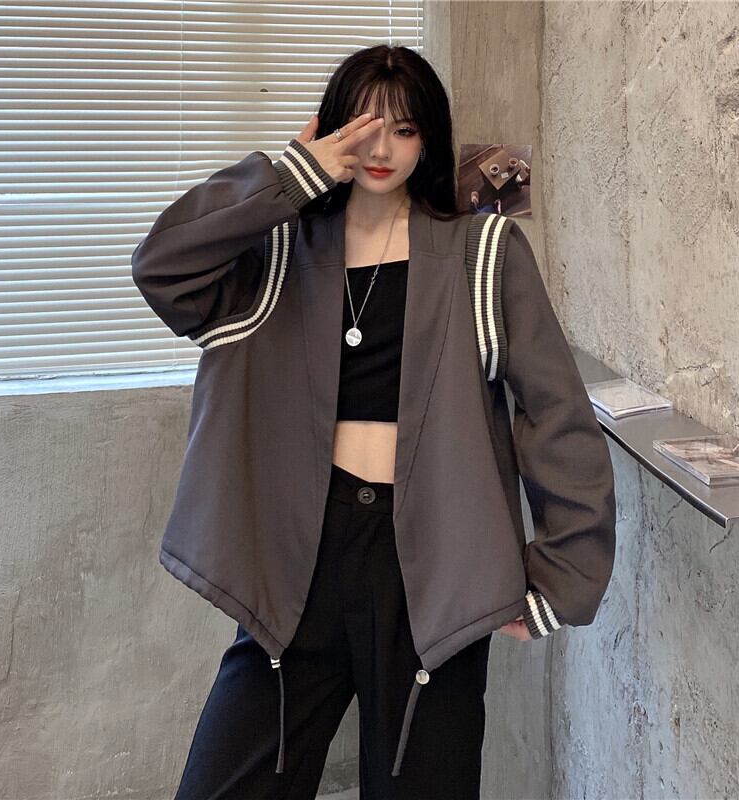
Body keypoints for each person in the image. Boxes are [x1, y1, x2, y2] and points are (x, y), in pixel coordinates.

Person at [131, 44, 616, 800]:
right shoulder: (277, 250)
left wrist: (563, 574)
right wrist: (291, 172)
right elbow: (161, 266)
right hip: (300, 558)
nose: (383, 148)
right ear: (332, 130)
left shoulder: (481, 253)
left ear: (429, 141)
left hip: (431, 566)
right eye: (364, 127)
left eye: (405, 129)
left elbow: (556, 414)